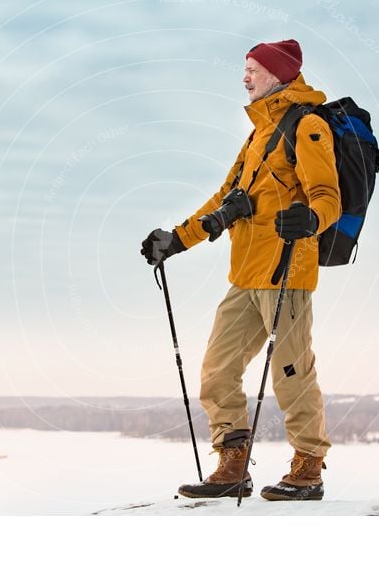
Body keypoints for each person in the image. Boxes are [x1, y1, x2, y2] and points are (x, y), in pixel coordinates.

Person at [141, 39, 340, 501]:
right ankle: (233, 463)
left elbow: (328, 196)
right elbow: (226, 197)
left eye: (252, 69)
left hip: (287, 269)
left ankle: (308, 467)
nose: (245, 77)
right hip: (245, 274)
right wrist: (176, 240)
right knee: (217, 369)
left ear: (277, 74)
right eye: (245, 68)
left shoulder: (307, 126)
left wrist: (311, 218)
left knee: (291, 370)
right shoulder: (257, 136)